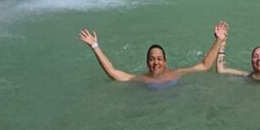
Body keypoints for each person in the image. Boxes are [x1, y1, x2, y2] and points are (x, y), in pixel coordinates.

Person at [78, 21, 228, 88]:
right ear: (147, 63)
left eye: (159, 59)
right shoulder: (141, 78)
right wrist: (95, 46)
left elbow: (205, 65)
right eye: (152, 59)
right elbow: (112, 72)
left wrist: (219, 40)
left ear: (165, 62)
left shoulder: (177, 73)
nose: (156, 62)